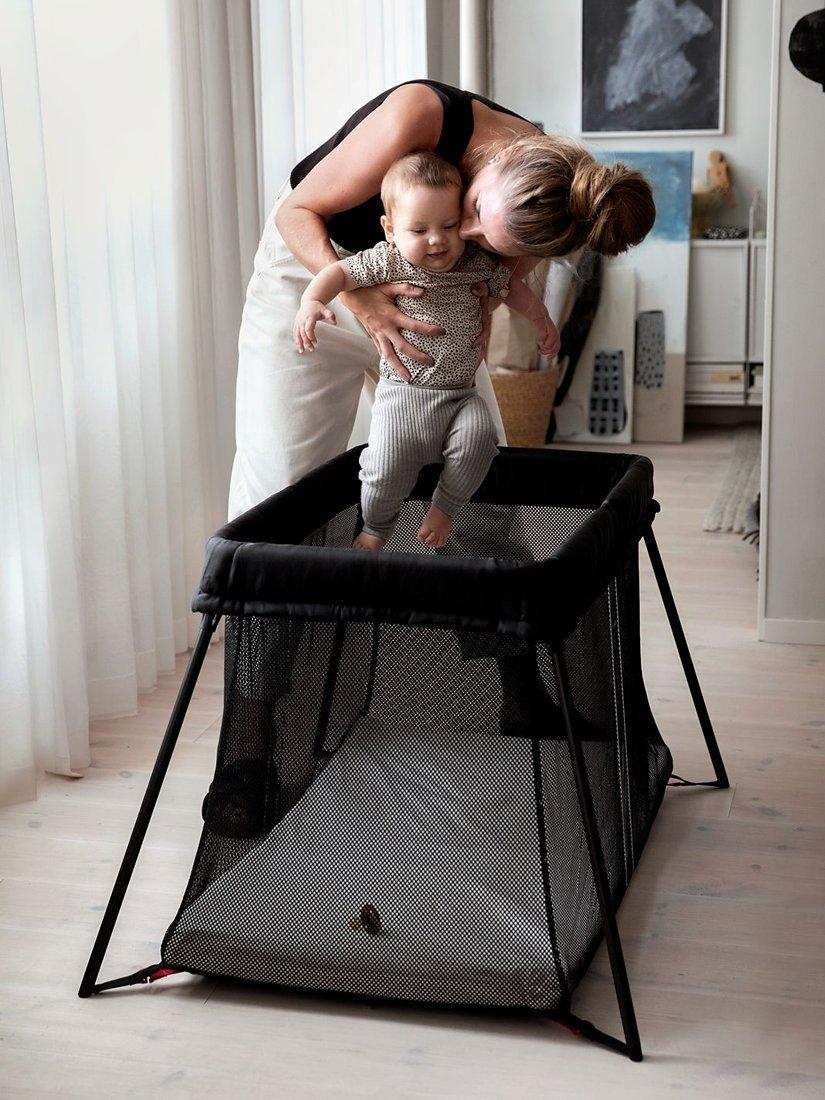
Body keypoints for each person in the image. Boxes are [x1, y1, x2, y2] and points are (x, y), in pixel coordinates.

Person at [228, 79, 655, 520]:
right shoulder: (421, 115)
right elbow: (296, 213)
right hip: (317, 271)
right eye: (475, 210)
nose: (466, 234)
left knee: (473, 488)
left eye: (486, 241)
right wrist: (363, 303)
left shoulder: (548, 209)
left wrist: (484, 310)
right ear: (502, 157)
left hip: (435, 317)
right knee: (281, 487)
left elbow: (495, 283)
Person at [293, 152, 560, 551]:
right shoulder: (389, 261)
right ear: (390, 229)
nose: (437, 239)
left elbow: (513, 289)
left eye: (449, 225)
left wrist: (541, 319)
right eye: (419, 230)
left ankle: (445, 509)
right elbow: (340, 272)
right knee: (385, 470)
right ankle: (375, 529)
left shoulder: (474, 262)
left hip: (461, 396)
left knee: (481, 441)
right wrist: (311, 302)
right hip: (404, 396)